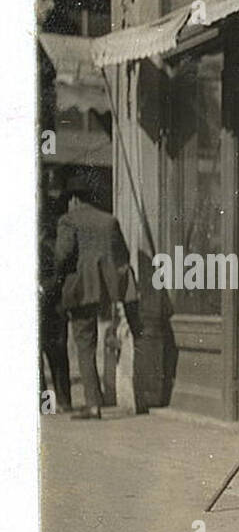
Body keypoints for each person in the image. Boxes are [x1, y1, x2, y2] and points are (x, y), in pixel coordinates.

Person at [54, 176, 137, 419]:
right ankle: (108, 395)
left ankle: (93, 404)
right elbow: (122, 254)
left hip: (80, 291)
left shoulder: (68, 220)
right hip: (106, 289)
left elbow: (62, 254)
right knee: (104, 339)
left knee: (84, 345)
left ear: (74, 199)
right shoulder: (109, 220)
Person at [39, 203, 72, 413]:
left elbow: (60, 277)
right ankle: (50, 404)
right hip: (47, 310)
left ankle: (61, 402)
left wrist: (42, 288)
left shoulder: (51, 249)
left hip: (52, 309)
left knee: (56, 357)